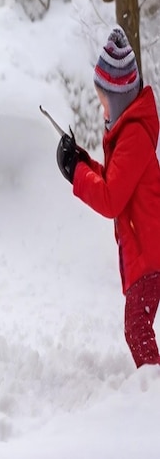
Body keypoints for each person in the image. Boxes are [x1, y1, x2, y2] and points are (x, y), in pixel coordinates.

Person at [56, 27, 160, 368]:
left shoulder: (132, 136)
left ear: (118, 98)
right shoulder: (127, 133)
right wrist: (83, 162)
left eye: (104, 102)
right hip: (144, 253)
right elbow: (117, 182)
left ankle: (152, 390)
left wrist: (76, 174)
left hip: (149, 255)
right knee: (137, 328)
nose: (102, 111)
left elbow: (111, 199)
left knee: (136, 329)